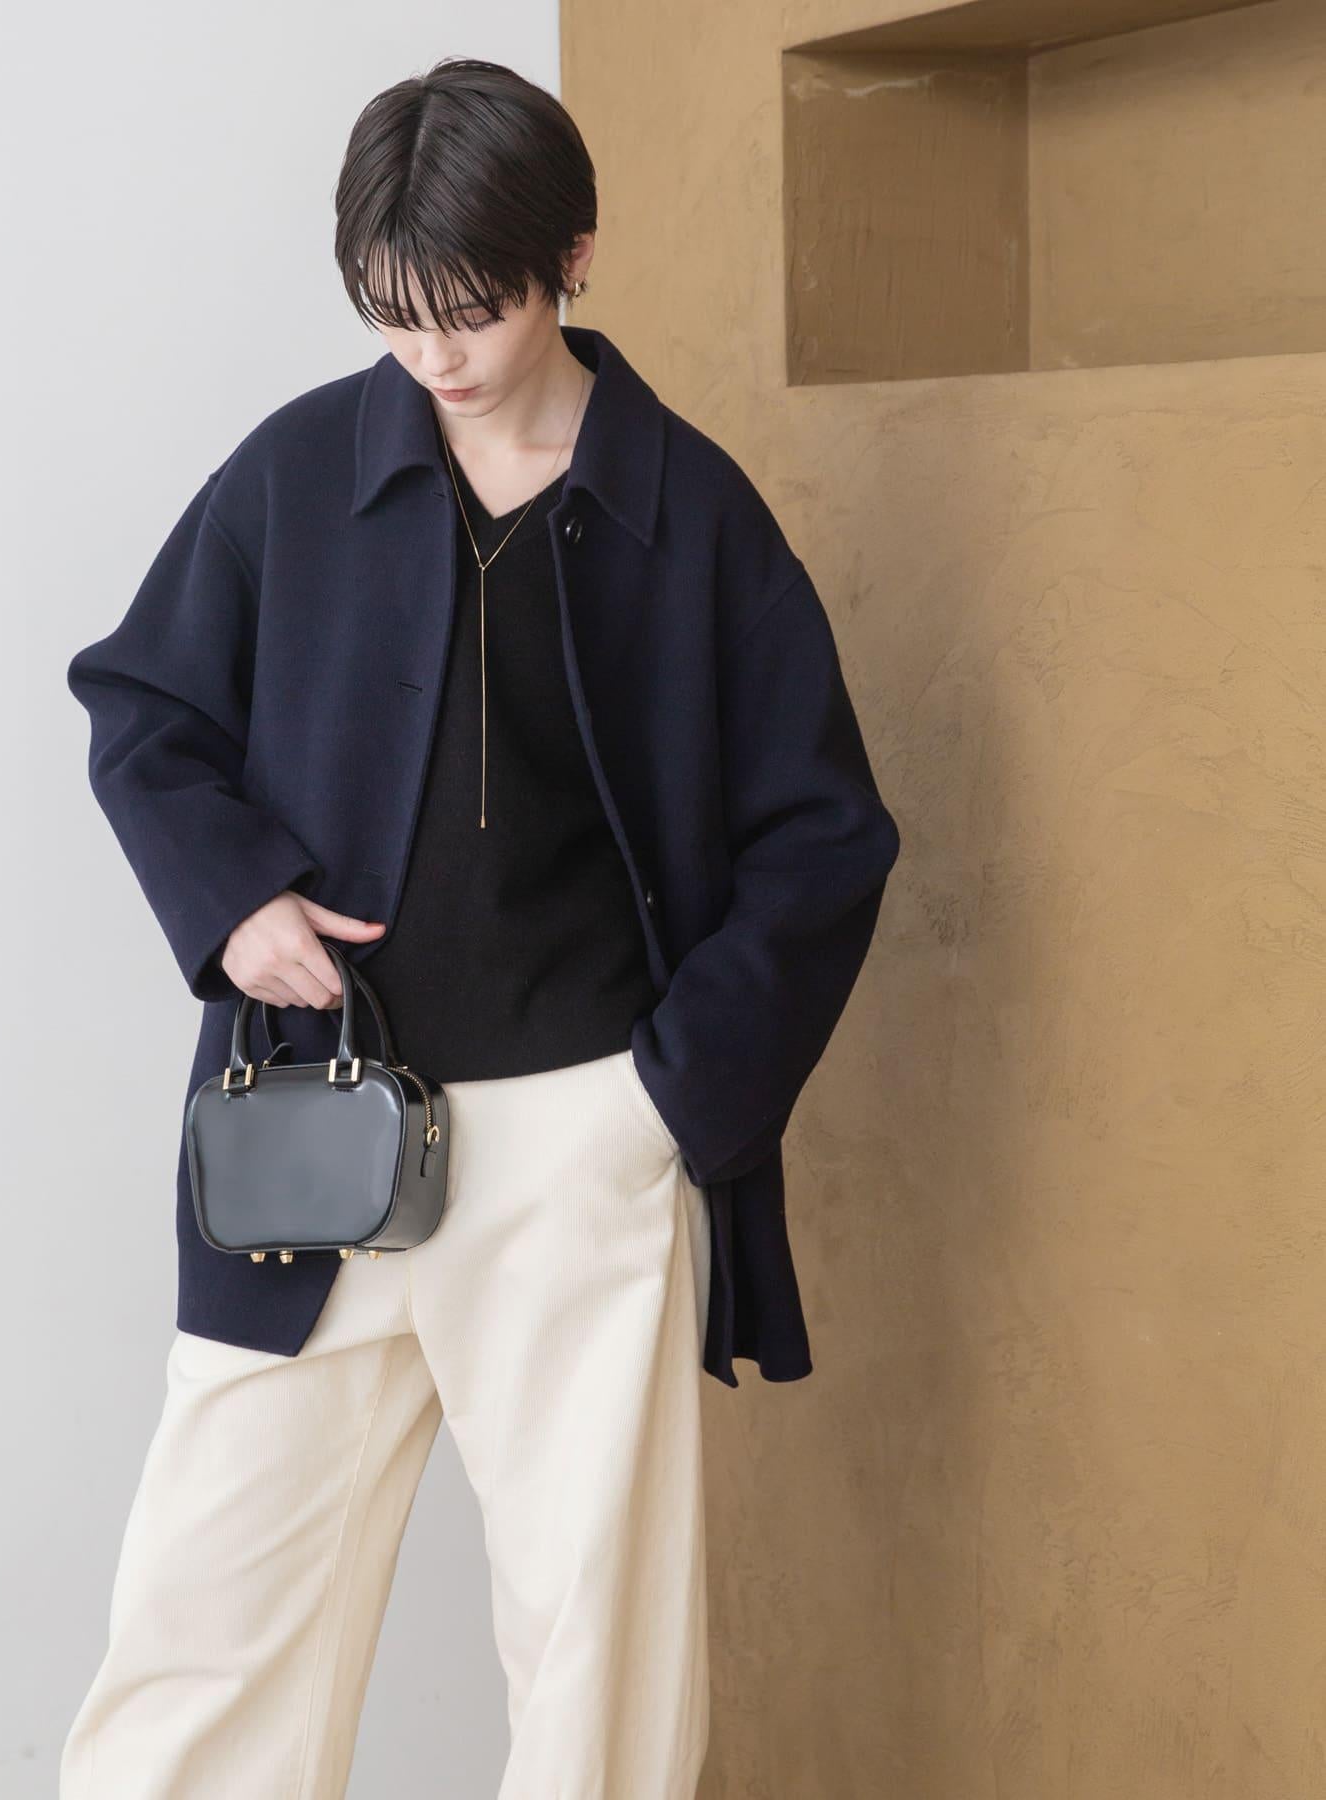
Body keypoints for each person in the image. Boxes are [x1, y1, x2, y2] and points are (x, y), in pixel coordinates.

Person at [58, 54, 900, 1800]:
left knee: (598, 1656)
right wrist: (232, 904)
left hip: (582, 1146)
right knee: (208, 1626)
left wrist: (667, 1104)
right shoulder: (299, 473)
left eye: (472, 311)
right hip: (312, 1138)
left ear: (571, 258)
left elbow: (826, 839)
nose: (434, 357)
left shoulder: (692, 515)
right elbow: (144, 707)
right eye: (394, 315)